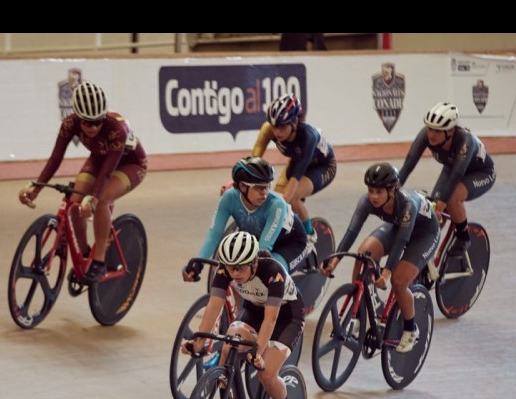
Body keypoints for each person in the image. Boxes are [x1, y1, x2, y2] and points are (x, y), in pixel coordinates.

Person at [181, 231, 305, 399]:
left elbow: (271, 319)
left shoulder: (273, 272)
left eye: (240, 267)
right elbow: (214, 305)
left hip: (286, 318)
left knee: (266, 373)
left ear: (254, 262)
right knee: (228, 347)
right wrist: (199, 342)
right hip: (255, 311)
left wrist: (258, 351)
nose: (235, 273)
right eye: (231, 268)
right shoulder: (225, 270)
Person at [19, 81, 148, 283]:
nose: (93, 127)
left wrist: (94, 198)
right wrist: (37, 187)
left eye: (97, 121)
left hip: (130, 164)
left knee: (102, 200)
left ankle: (99, 261)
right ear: (78, 117)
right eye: (87, 122)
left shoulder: (117, 130)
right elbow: (55, 159)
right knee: (75, 204)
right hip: (99, 159)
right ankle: (85, 255)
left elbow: (107, 173)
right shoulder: (69, 124)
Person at [320, 163, 440, 353]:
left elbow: (401, 241)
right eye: (371, 191)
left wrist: (385, 274)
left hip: (424, 235)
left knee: (399, 282)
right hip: (399, 227)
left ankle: (411, 329)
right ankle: (357, 311)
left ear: (392, 190)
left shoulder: (407, 204)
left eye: (379, 192)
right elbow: (351, 232)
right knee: (363, 254)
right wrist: (334, 262)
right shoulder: (366, 202)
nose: (373, 196)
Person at [183, 156, 307, 282]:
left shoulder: (276, 205)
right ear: (242, 186)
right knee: (226, 272)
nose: (264, 193)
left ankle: (287, 295)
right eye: (258, 187)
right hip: (258, 241)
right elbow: (214, 235)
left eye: (267, 186)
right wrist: (198, 265)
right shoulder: (229, 198)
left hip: (290, 245)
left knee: (270, 274)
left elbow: (264, 248)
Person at [398, 101, 496, 257]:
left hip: (481, 173)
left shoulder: (465, 141)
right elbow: (409, 164)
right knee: (432, 213)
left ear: (450, 131)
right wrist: (394, 190)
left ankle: (464, 237)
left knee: (450, 199)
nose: (431, 134)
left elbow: (457, 176)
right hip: (453, 168)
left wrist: (441, 204)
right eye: (430, 129)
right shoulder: (426, 135)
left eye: (437, 131)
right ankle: (425, 252)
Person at [250, 93, 337, 243]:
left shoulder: (309, 136)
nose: (277, 132)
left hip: (322, 166)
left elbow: (297, 176)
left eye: (282, 127)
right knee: (278, 198)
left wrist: (280, 204)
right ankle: (291, 228)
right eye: (274, 126)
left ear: (295, 122)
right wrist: (239, 181)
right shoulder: (268, 129)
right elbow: (253, 162)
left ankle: (310, 235)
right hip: (297, 162)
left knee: (291, 197)